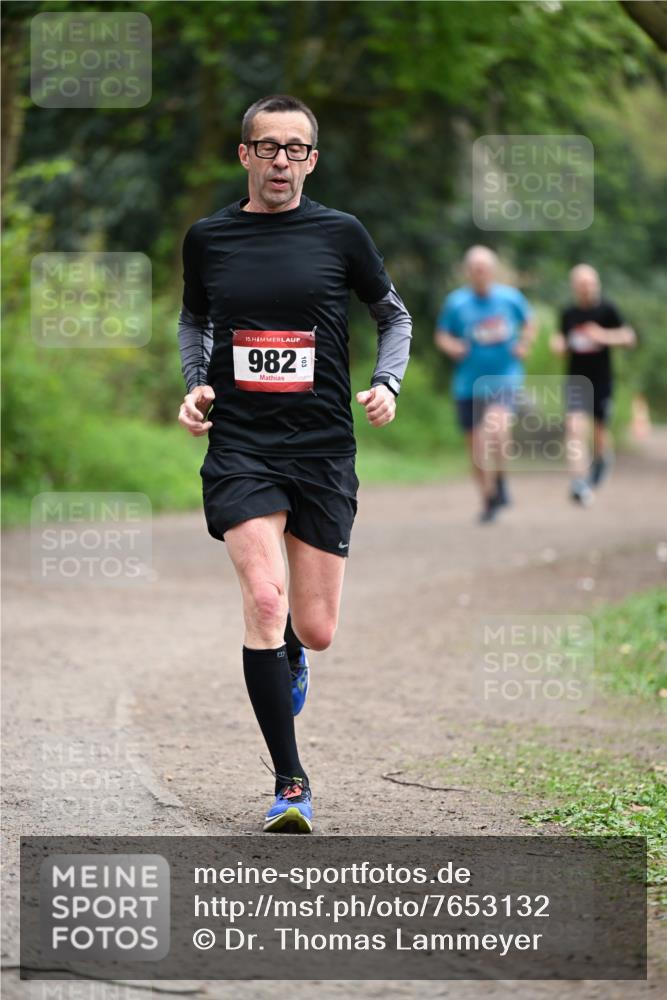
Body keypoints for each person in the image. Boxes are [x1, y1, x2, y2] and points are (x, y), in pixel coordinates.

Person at [177, 95, 412, 833]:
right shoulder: (208, 237)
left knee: (312, 628)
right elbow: (193, 318)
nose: (282, 161)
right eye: (268, 147)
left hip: (321, 449)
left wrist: (387, 382)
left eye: (296, 149)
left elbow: (393, 314)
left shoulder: (340, 234)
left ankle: (289, 654)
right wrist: (196, 385)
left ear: (313, 159)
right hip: (242, 445)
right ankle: (290, 783)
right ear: (243, 154)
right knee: (264, 600)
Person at [434, 246, 535, 523]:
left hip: (504, 377)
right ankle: (489, 498)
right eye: (475, 268)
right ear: (468, 272)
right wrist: (452, 346)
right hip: (468, 384)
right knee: (476, 447)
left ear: (492, 270)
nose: (480, 272)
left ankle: (500, 478)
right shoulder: (456, 303)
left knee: (498, 428)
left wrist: (525, 343)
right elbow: (441, 335)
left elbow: (529, 323)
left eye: (484, 267)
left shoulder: (510, 298)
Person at [550, 264, 636, 506]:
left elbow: (629, 337)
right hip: (576, 380)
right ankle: (578, 480)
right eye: (581, 284)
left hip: (601, 380)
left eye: (589, 283)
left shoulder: (607, 310)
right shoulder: (568, 313)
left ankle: (602, 460)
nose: (586, 288)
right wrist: (557, 344)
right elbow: (560, 338)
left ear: (596, 284)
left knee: (599, 433)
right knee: (574, 428)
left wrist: (602, 336)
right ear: (574, 287)